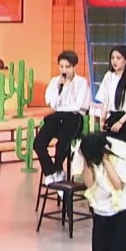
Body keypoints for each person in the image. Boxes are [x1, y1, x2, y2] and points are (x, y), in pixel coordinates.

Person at [35, 50, 91, 186]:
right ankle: (50, 171)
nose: (64, 70)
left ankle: (59, 170)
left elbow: (79, 106)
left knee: (62, 145)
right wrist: (60, 89)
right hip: (57, 117)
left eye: (67, 67)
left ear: (74, 66)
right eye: (61, 66)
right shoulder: (55, 81)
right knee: (38, 143)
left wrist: (63, 107)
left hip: (74, 118)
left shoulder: (82, 82)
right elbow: (52, 104)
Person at [95, 45, 126, 145]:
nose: (114, 61)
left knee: (119, 146)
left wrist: (121, 122)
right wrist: (103, 119)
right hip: (113, 117)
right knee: (101, 144)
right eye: (112, 58)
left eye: (118, 58)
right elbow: (104, 101)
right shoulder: (108, 76)